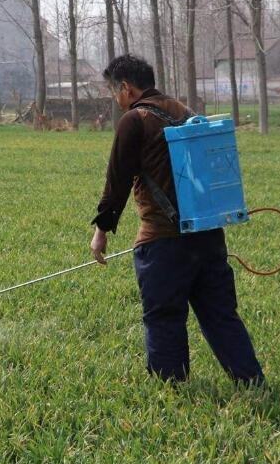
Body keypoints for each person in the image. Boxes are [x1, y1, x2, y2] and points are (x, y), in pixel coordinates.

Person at [90, 54, 265, 386]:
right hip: (209, 236)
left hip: (162, 242)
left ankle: (171, 389)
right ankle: (252, 381)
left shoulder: (135, 119)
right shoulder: (185, 112)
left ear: (126, 88)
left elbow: (117, 181)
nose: (116, 100)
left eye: (115, 92)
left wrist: (101, 231)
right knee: (221, 317)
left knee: (164, 318)